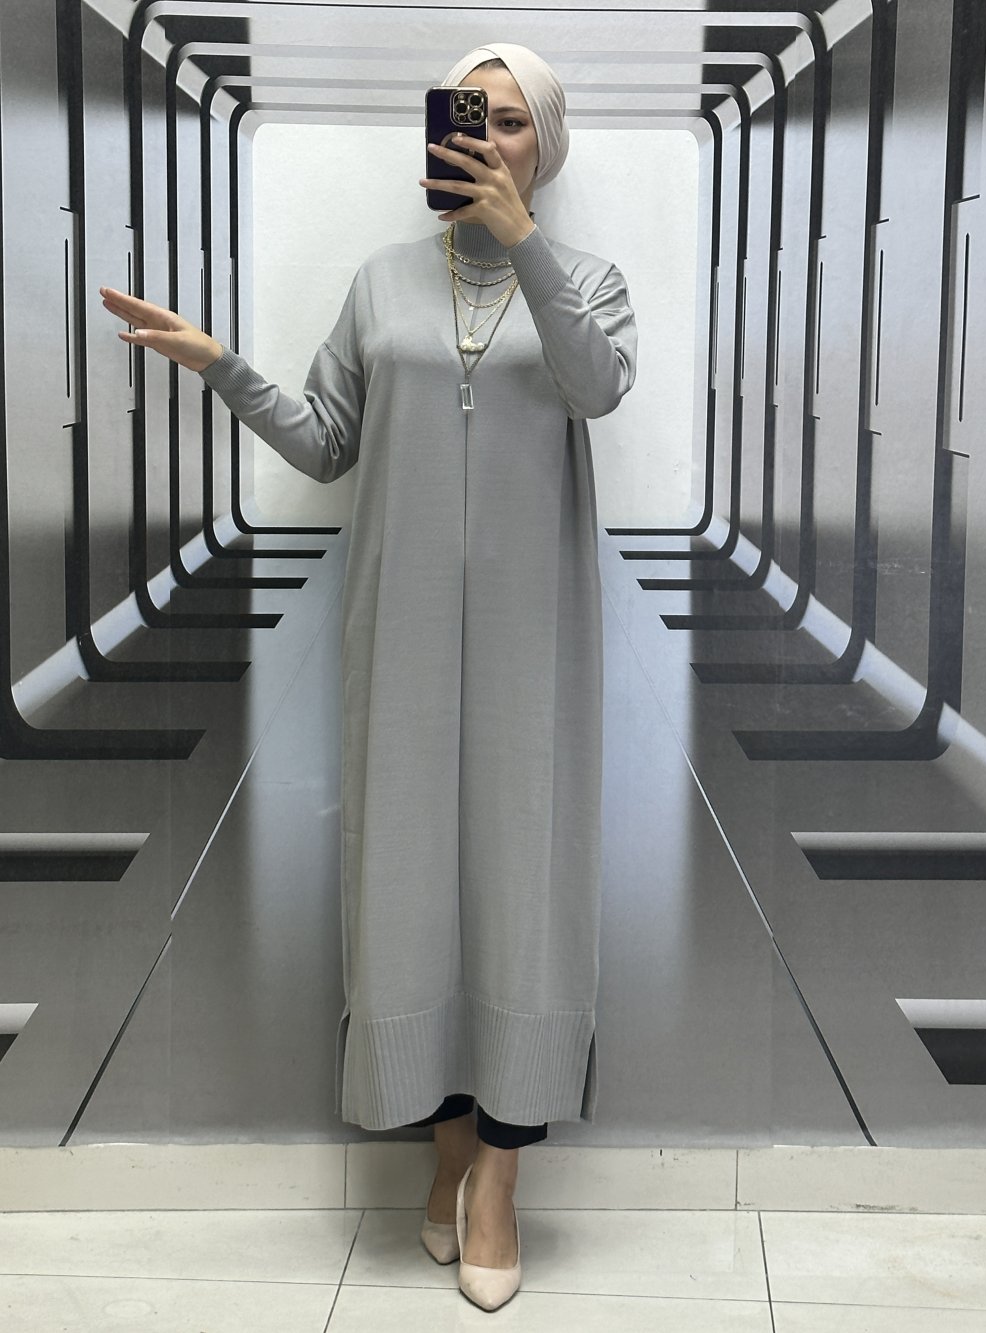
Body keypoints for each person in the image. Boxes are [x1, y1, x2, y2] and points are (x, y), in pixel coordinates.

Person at [100, 41, 637, 1313]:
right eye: (468, 116)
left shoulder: (590, 283)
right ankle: (444, 1146)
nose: (488, 138)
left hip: (535, 640)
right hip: (399, 630)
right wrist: (220, 364)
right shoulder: (382, 282)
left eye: (512, 122)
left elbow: (597, 386)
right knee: (407, 884)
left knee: (522, 884)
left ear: (545, 144)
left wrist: (526, 245)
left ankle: (499, 1176)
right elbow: (328, 441)